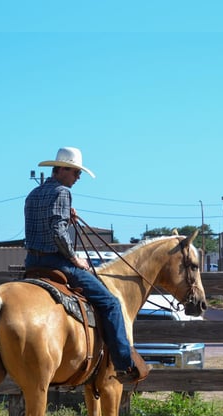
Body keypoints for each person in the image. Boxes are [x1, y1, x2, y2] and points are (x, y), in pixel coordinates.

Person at [24, 146, 150, 383]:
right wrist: (74, 259)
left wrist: (66, 217)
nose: (78, 177)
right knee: (111, 303)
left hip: (32, 262)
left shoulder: (33, 194)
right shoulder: (62, 192)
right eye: (75, 172)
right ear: (61, 170)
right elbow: (57, 232)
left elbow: (43, 226)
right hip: (57, 263)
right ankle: (124, 363)